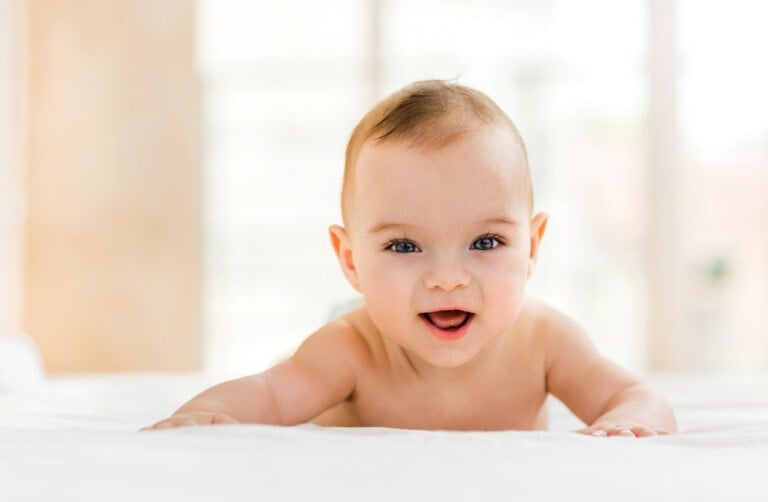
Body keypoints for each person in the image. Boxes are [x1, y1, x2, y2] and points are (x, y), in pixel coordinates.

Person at [145, 80, 676, 437]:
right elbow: (269, 395)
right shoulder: (352, 350)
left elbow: (634, 395)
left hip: (392, 307)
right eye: (404, 246)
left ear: (532, 247)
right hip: (363, 326)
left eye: (486, 242)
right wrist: (202, 418)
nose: (447, 279)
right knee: (297, 363)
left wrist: (627, 423)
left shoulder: (546, 341)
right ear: (350, 259)